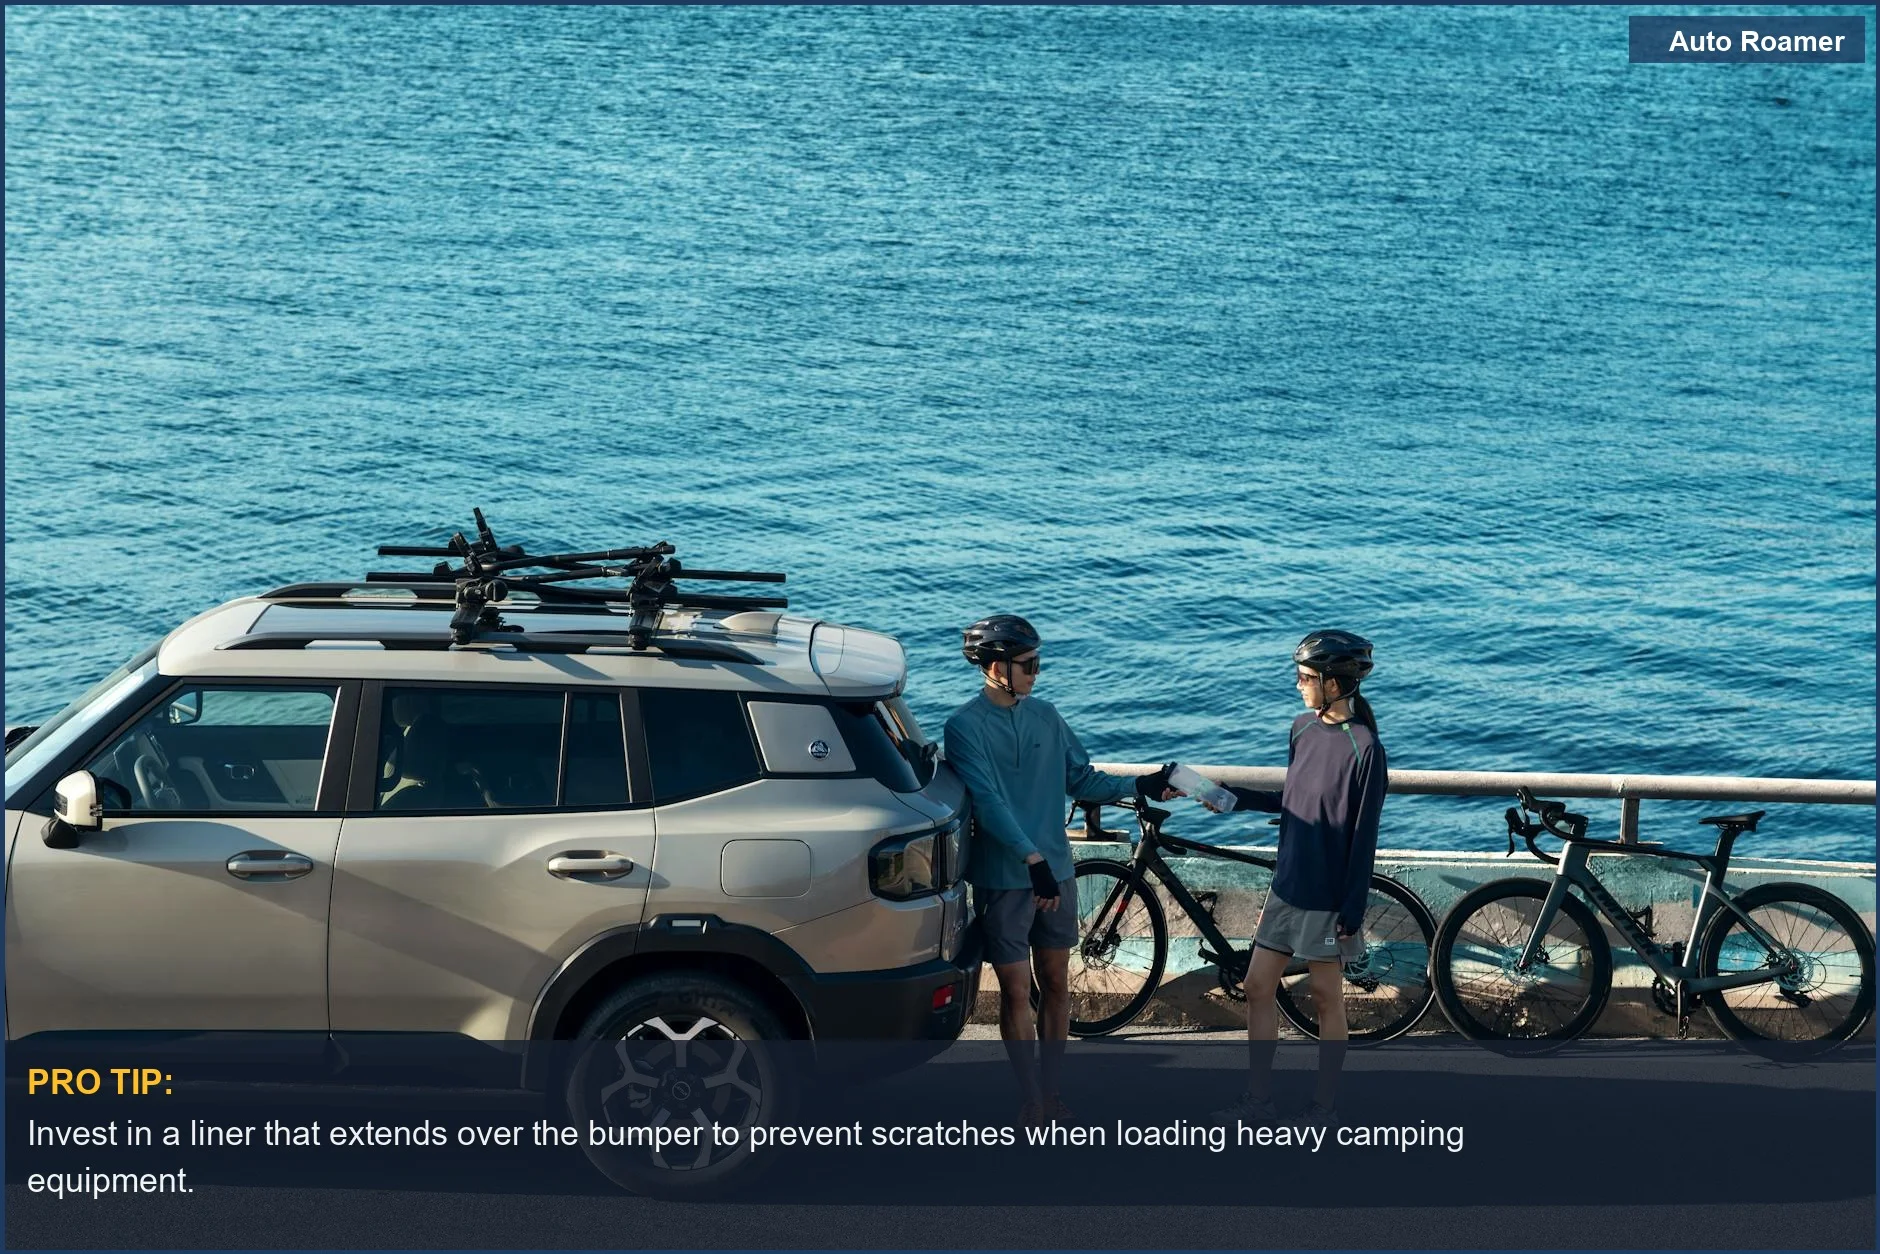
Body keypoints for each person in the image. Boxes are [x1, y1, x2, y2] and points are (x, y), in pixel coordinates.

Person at [943, 614, 1177, 1126]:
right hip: (1007, 878)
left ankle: (1052, 1093)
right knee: (1016, 990)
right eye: (1028, 665)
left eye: (1037, 663)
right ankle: (1030, 1097)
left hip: (1055, 870)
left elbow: (1081, 779)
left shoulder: (1047, 716)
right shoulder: (963, 726)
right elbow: (987, 800)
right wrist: (1031, 860)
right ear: (995, 666)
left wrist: (1143, 784)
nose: (1037, 673)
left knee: (1055, 980)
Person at [1208, 630, 1385, 1125]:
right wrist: (1232, 795)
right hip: (1287, 886)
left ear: (1335, 684)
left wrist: (1352, 909)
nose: (1299, 684)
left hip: (1327, 896)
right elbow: (1293, 801)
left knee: (1327, 997)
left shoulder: (1365, 748)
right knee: (1258, 986)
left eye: (1307, 677)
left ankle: (1324, 1106)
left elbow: (1362, 836)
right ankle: (1258, 1099)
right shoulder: (1301, 729)